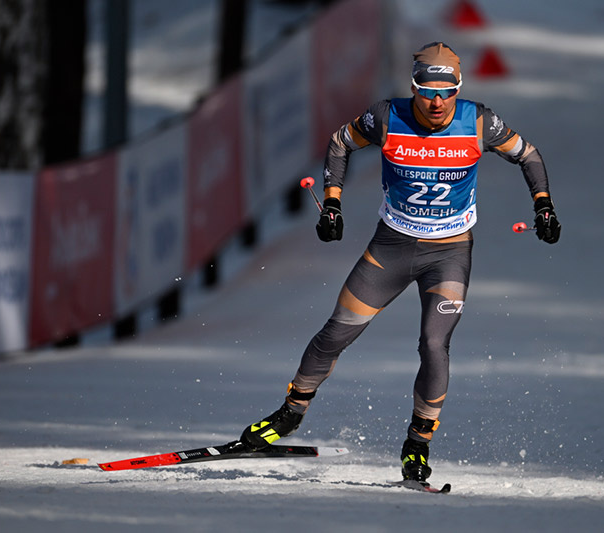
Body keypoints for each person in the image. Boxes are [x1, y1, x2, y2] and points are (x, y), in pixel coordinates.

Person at [239, 42, 561, 484]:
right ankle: (290, 413)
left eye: (446, 92)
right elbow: (340, 142)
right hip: (391, 247)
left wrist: (543, 205)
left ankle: (418, 444)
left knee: (433, 344)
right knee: (336, 331)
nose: (436, 102)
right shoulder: (388, 117)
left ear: (458, 89)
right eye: (427, 91)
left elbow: (528, 154)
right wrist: (331, 203)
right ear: (413, 88)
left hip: (448, 253)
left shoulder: (479, 122)